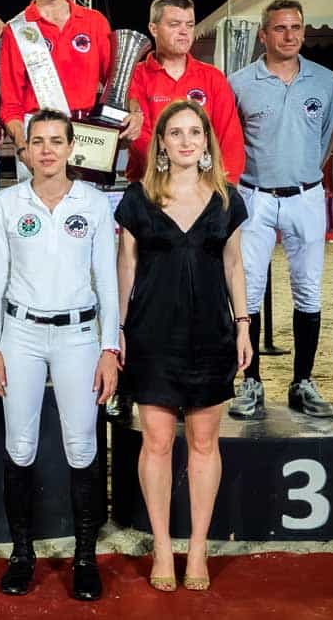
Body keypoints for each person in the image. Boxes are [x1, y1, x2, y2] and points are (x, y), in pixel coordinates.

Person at [115, 99, 252, 593]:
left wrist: (243, 324)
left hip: (211, 334)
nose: (187, 141)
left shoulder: (226, 199)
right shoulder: (138, 198)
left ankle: (196, 545)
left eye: (196, 132)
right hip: (152, 335)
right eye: (177, 133)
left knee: (201, 443)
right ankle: (159, 543)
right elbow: (125, 267)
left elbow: (234, 265)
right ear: (163, 144)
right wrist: (119, 331)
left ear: (207, 143)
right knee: (155, 442)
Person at [0, 109, 119, 602]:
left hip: (79, 335)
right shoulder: (6, 203)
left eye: (55, 141)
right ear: (26, 149)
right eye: (37, 141)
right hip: (20, 335)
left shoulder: (95, 204)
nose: (45, 149)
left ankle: (85, 558)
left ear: (70, 148)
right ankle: (23, 555)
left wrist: (111, 347)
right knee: (20, 446)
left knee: (81, 445)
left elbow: (108, 279)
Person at [227, 0, 333, 420]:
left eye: (295, 28)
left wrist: (305, 172)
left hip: (306, 195)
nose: (289, 35)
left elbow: (326, 137)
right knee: (248, 291)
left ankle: (302, 382)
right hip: (255, 196)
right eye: (279, 28)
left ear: (304, 32)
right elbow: (231, 142)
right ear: (263, 34)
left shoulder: (324, 81)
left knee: (308, 289)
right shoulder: (240, 82)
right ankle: (250, 382)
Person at [0, 0, 142, 181]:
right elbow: (10, 103)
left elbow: (120, 83)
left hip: (86, 133)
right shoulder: (16, 30)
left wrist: (136, 113)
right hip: (37, 136)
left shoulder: (94, 22)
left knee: (84, 214)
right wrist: (22, 147)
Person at [126, 0, 244, 185]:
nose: (184, 32)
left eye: (189, 25)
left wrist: (226, 186)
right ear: (153, 29)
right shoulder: (136, 77)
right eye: (174, 24)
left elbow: (229, 138)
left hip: (205, 187)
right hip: (151, 187)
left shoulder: (212, 77)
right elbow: (141, 138)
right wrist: (176, 181)